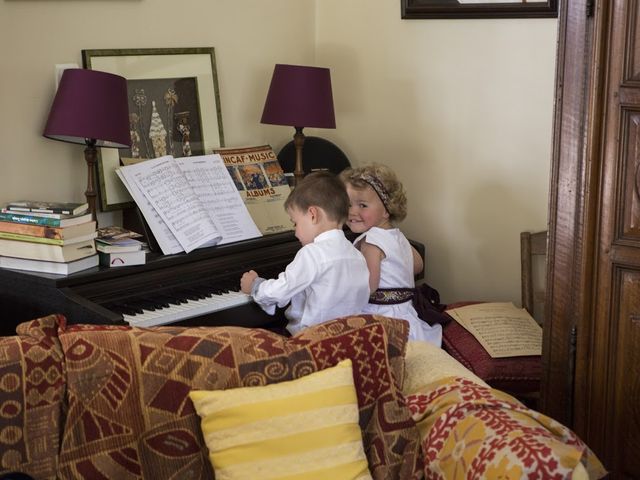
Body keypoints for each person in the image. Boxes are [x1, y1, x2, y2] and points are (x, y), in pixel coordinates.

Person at [240, 171, 371, 335]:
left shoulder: (312, 254)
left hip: (310, 343)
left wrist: (255, 286)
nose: (295, 232)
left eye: (295, 223)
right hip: (345, 340)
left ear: (313, 215)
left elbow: (281, 290)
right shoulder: (356, 255)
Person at [340, 163, 443, 346]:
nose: (352, 211)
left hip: (382, 318)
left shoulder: (371, 242)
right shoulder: (397, 235)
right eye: (348, 204)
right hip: (406, 315)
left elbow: (367, 288)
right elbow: (418, 265)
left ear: (387, 210)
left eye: (362, 205)